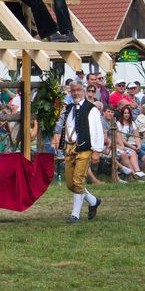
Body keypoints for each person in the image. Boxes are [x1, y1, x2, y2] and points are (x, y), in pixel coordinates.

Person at [53, 82, 103, 223]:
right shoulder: (68, 108)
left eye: (78, 90)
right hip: (69, 148)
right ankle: (93, 201)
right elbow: (64, 127)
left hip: (84, 147)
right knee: (71, 184)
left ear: (84, 91)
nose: (75, 93)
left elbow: (97, 130)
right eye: (73, 91)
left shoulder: (91, 109)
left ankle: (75, 215)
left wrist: (97, 151)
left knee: (78, 180)